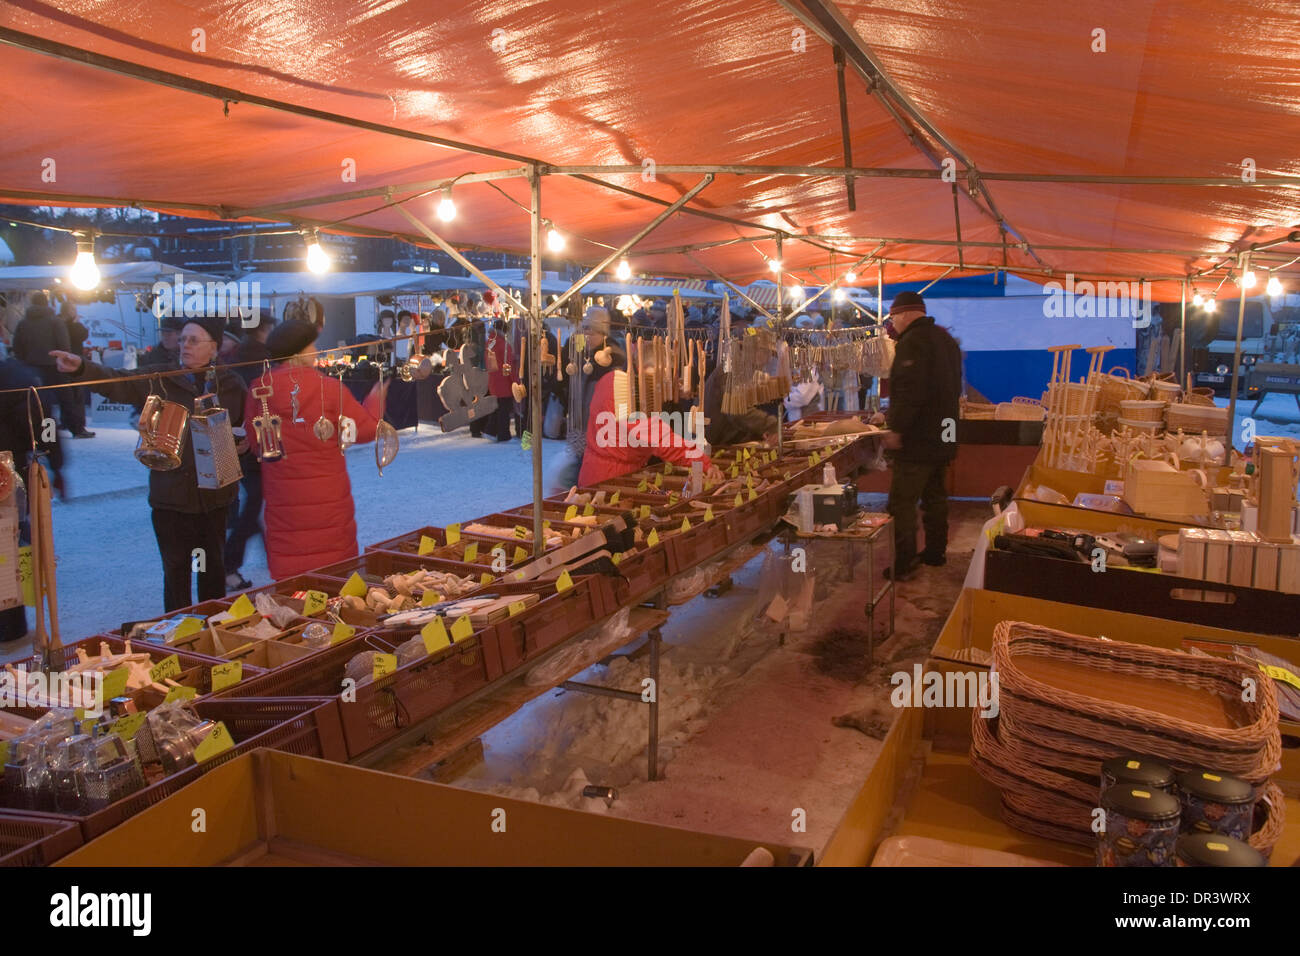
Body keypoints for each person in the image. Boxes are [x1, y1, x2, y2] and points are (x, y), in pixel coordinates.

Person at [51, 316, 247, 611]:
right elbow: (117, 382)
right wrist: (81, 367)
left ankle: (212, 633)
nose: (185, 345)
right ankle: (177, 636)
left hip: (216, 499)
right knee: (176, 572)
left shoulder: (232, 384)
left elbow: (241, 429)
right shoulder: (161, 379)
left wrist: (242, 445)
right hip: (171, 500)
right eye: (182, 340)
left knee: (212, 571)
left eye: (194, 340)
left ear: (214, 347)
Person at [253, 319, 385, 579]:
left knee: (293, 574)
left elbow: (254, 437)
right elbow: (363, 431)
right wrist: (375, 401)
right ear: (301, 351)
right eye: (312, 346)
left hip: (283, 495)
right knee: (333, 576)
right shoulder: (327, 388)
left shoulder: (259, 389)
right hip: (327, 496)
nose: (315, 351)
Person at [880, 291, 962, 580]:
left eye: (892, 318)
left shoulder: (912, 343)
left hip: (918, 439)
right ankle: (935, 553)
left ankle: (904, 563)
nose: (892, 324)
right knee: (935, 496)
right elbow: (951, 391)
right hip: (944, 435)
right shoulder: (946, 340)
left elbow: (908, 394)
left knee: (901, 502)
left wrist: (896, 429)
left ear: (903, 314)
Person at [0, 356, 64, 643]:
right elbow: (44, 420)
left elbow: (43, 419)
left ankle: (11, 624)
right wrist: (57, 465)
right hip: (8, 469)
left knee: (9, 544)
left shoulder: (16, 373)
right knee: (9, 544)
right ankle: (10, 626)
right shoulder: (18, 372)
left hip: (7, 471)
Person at [578, 357, 721, 485]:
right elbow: (663, 440)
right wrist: (704, 463)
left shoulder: (609, 379)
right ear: (643, 370)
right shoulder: (629, 398)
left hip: (593, 470)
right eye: (662, 377)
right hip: (611, 478)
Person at [223, 310, 274, 590]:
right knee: (253, 505)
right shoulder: (261, 359)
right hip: (256, 443)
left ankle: (267, 552)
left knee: (254, 505)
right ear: (263, 330)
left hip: (240, 441)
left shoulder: (236, 357)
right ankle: (228, 565)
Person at [12, 292, 69, 388]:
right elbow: (64, 344)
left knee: (36, 396)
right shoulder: (56, 321)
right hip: (55, 365)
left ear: (32, 303)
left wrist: (23, 359)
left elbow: (17, 345)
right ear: (46, 303)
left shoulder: (23, 323)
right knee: (62, 395)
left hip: (30, 365)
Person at [58, 299, 94, 438]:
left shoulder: (58, 322)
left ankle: (67, 422)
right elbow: (83, 335)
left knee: (66, 395)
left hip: (62, 362)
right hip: (73, 362)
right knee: (76, 395)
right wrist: (77, 323)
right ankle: (78, 427)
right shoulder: (72, 325)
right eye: (73, 309)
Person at [484, 320, 516, 442]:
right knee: (504, 410)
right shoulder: (504, 345)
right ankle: (504, 435)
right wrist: (513, 380)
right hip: (504, 382)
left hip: (493, 380)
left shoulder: (489, 342)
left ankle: (490, 431)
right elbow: (507, 365)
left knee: (497, 408)